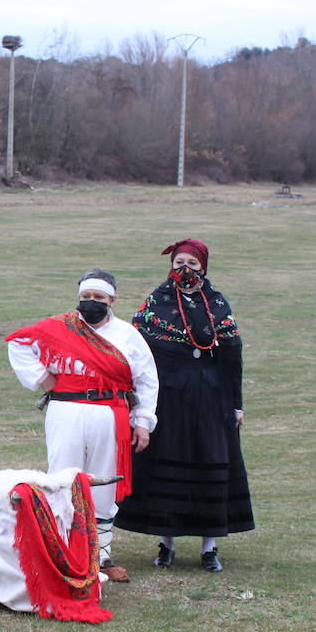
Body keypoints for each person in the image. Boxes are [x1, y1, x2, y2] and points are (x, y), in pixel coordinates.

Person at [6, 268, 158, 581]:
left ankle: (100, 559)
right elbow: (18, 343)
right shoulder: (59, 328)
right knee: (63, 477)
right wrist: (43, 379)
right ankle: (62, 555)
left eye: (99, 297)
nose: (92, 302)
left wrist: (143, 421)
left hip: (110, 414)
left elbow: (146, 380)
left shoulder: (128, 335)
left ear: (112, 299)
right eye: (86, 297)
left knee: (105, 482)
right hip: (66, 410)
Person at [114, 238, 254, 571]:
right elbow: (136, 352)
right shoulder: (157, 300)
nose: (185, 269)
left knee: (211, 460)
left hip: (211, 399)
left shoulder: (217, 303)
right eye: (179, 263)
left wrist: (236, 404)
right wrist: (135, 400)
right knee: (166, 462)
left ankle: (210, 547)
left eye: (192, 263)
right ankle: (167, 543)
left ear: (203, 266)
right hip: (168, 398)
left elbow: (232, 354)